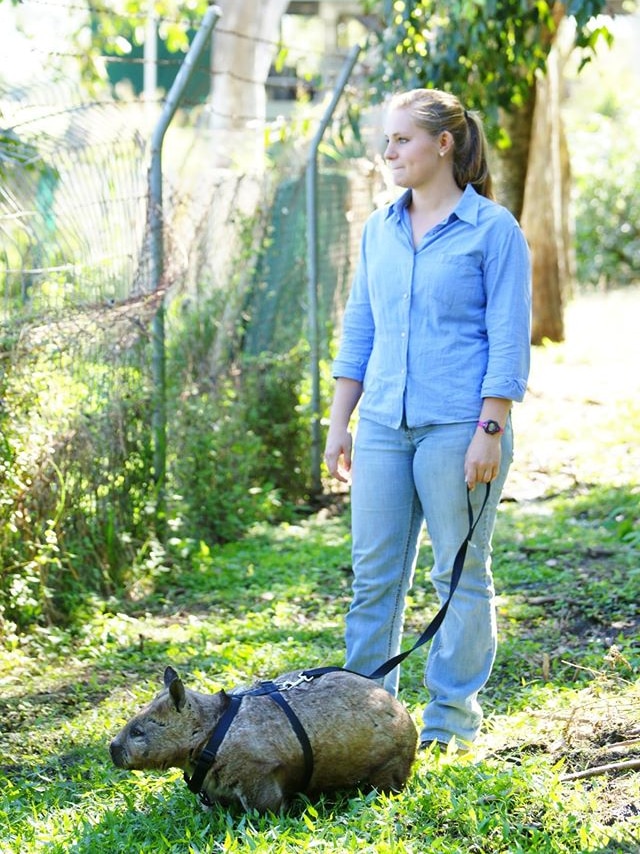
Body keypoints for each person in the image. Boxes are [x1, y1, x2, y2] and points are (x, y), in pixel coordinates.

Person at [324, 88, 531, 750]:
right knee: (373, 578)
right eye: (386, 140)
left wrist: (489, 429)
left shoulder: (493, 230)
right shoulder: (378, 229)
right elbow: (360, 327)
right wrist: (340, 423)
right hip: (383, 424)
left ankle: (450, 724)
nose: (389, 152)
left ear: (443, 144)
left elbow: (508, 337)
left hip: (458, 428)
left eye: (402, 139)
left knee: (460, 575)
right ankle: (361, 723)